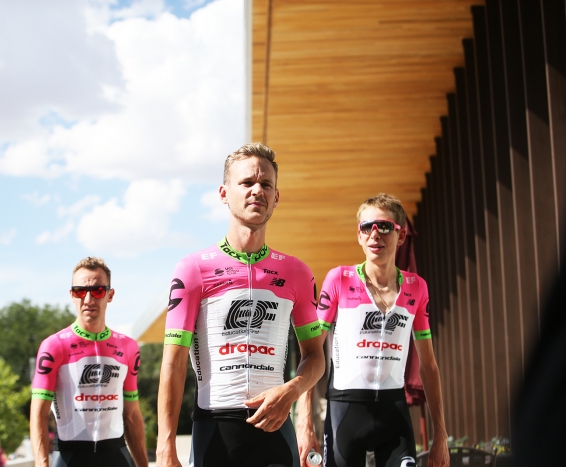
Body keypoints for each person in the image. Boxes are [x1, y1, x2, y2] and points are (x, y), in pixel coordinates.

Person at [156, 142, 325, 467]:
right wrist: (166, 446)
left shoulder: (297, 272)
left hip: (276, 432)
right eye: (247, 183)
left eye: (266, 184)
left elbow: (315, 356)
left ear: (276, 197)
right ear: (224, 193)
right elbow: (173, 364)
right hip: (215, 433)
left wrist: (291, 391)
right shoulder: (193, 268)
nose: (256, 191)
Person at [296, 194, 449, 467]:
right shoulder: (339, 279)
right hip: (345, 412)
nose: (375, 234)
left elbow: (429, 366)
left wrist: (441, 435)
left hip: (394, 412)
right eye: (367, 227)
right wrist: (304, 420)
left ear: (401, 236)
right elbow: (312, 353)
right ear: (359, 235)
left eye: (384, 226)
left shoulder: (417, 287)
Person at [30, 257, 148, 467]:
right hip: (70, 457)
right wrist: (41, 464)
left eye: (97, 291)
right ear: (72, 295)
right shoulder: (54, 346)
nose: (88, 299)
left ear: (110, 295)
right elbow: (38, 415)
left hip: (116, 456)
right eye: (80, 291)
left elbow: (132, 416)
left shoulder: (128, 347)